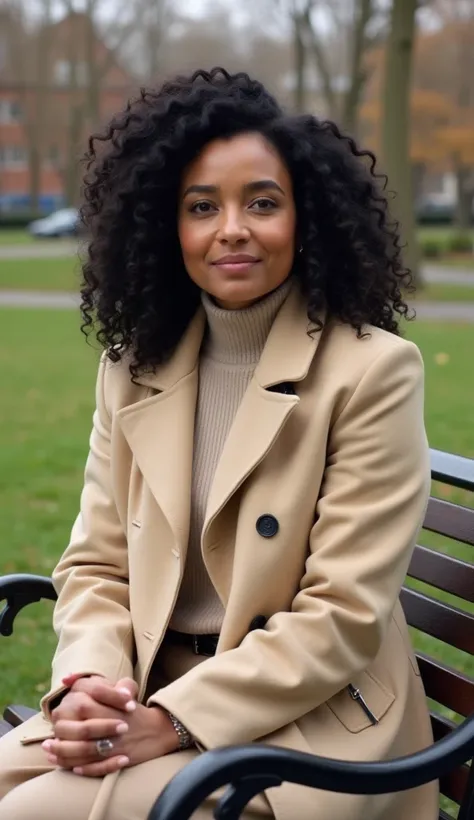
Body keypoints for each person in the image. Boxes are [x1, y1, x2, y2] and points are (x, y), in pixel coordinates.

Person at [0, 67, 438, 820]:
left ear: (307, 218)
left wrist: (172, 722)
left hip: (310, 728)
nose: (231, 228)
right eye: (202, 207)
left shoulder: (372, 372)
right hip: (152, 691)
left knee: (32, 811)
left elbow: (343, 615)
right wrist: (87, 685)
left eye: (261, 203)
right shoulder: (135, 369)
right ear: (166, 227)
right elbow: (97, 564)